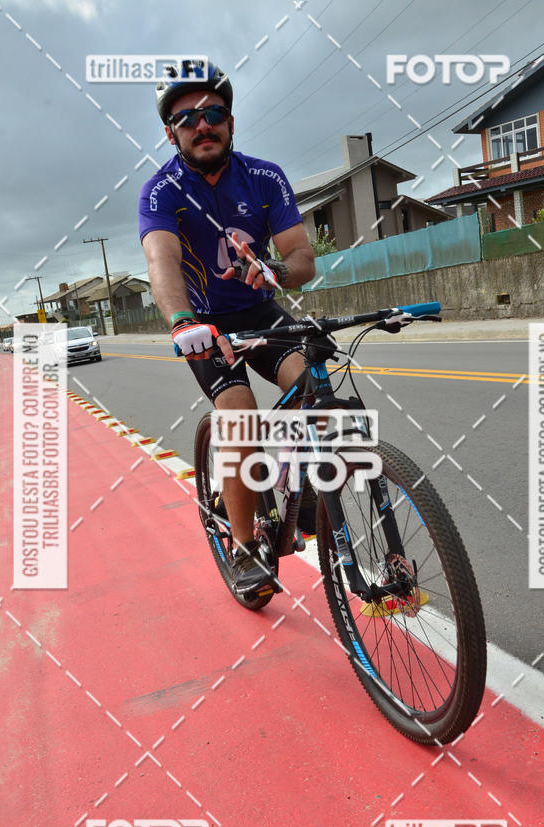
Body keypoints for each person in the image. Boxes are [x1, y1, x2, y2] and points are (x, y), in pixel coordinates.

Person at [138, 59, 316, 594]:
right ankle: (243, 547)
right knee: (239, 414)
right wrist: (181, 321)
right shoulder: (161, 191)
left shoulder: (265, 177)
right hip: (206, 324)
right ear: (170, 133)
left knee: (313, 385)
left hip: (260, 311)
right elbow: (162, 263)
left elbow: (302, 257)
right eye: (187, 118)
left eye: (213, 113)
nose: (203, 125)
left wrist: (277, 270)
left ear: (231, 122)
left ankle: (303, 491)